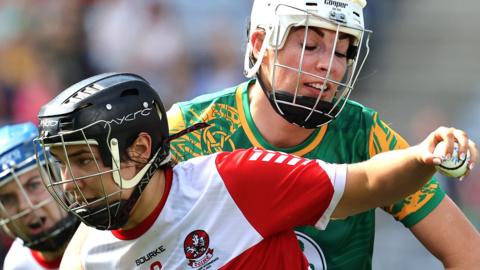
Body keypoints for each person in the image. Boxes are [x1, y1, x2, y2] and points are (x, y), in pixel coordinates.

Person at [33, 73, 477, 269]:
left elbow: (369, 182)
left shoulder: (235, 180)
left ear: (141, 148)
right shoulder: (89, 257)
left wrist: (421, 157)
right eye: (62, 163)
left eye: (84, 160)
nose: (72, 181)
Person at [167, 0, 480, 269]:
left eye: (342, 51)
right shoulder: (188, 130)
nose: (329, 64)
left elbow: (469, 253)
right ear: (260, 44)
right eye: (310, 46)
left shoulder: (364, 135)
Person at [0, 122, 79, 269]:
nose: (24, 206)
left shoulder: (106, 233)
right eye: (7, 199)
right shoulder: (17, 265)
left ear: (59, 177)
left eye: (34, 185)